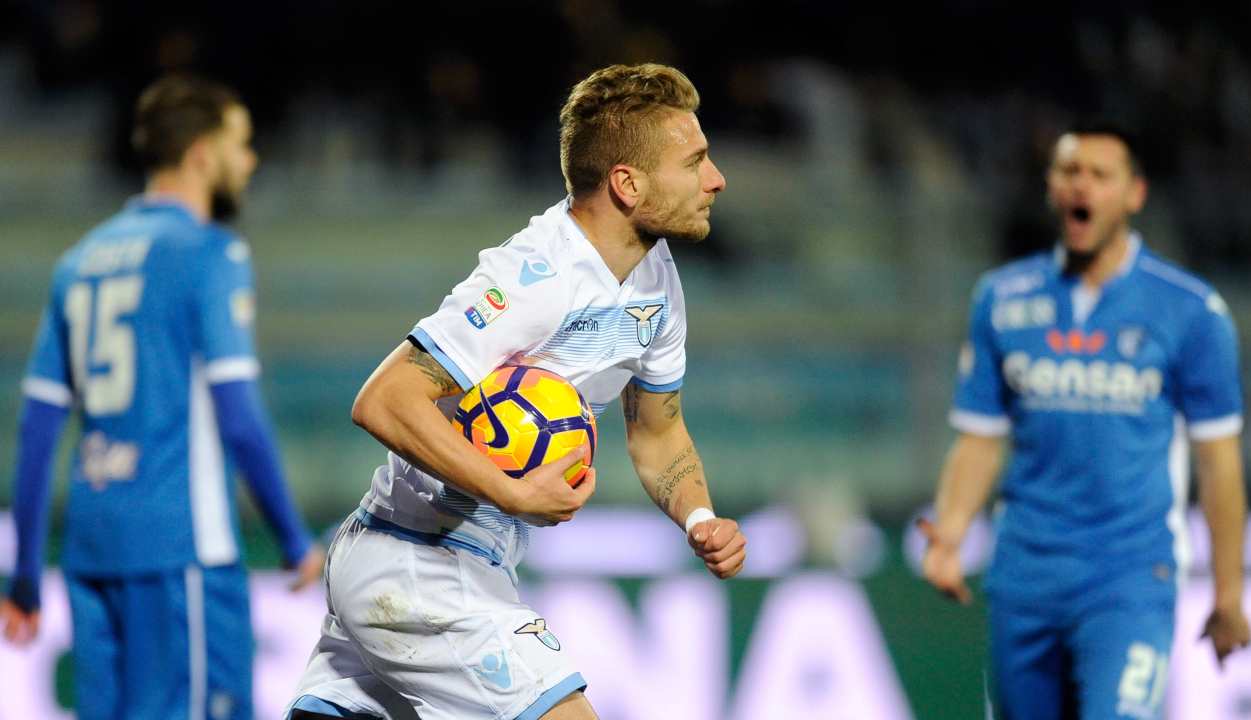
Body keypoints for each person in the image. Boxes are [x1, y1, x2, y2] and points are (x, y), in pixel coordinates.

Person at [287, 62, 747, 720]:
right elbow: (385, 398)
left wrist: (700, 519)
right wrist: (512, 490)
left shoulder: (658, 280)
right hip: (421, 563)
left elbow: (658, 431)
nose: (716, 179)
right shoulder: (536, 277)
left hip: (441, 563)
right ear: (626, 182)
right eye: (695, 161)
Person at [0, 75, 324, 719]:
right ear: (203, 153)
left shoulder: (79, 261)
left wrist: (26, 574)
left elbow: (38, 429)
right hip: (183, 551)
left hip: (92, 551)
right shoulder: (209, 253)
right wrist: (292, 537)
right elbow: (238, 414)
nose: (250, 161)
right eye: (242, 144)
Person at [919, 124, 1251, 719]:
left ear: (1134, 193)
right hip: (1025, 574)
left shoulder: (1191, 311)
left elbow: (1219, 461)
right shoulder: (1002, 298)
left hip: (1128, 575)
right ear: (1051, 187)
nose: (1083, 187)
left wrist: (1228, 593)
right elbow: (979, 438)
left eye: (1101, 175)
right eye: (1070, 172)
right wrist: (950, 532)